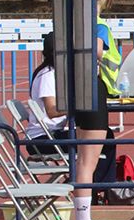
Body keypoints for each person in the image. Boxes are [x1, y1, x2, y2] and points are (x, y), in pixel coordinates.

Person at [63, 0, 124, 220]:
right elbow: (96, 50)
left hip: (79, 90)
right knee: (87, 161)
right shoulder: (97, 23)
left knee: (83, 160)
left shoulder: (70, 19)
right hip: (95, 90)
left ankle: (84, 219)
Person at [25, 32, 116, 183]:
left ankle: (99, 183)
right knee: (103, 138)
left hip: (54, 134)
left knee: (105, 136)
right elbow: (52, 111)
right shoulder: (47, 75)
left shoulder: (57, 73)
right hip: (41, 140)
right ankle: (97, 184)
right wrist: (78, 106)